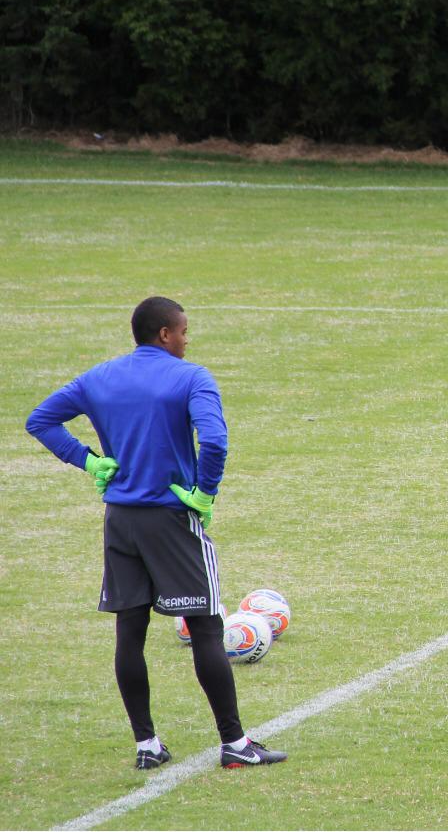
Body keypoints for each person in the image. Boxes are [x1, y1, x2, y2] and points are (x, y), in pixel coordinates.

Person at [26, 296, 287, 771]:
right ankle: (235, 744)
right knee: (207, 628)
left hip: (120, 522)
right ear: (165, 334)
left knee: (130, 633)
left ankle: (147, 745)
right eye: (184, 331)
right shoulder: (191, 378)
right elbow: (215, 440)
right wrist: (204, 494)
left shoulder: (98, 378)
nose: (188, 339)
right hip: (171, 520)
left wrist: (88, 460)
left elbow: (40, 420)